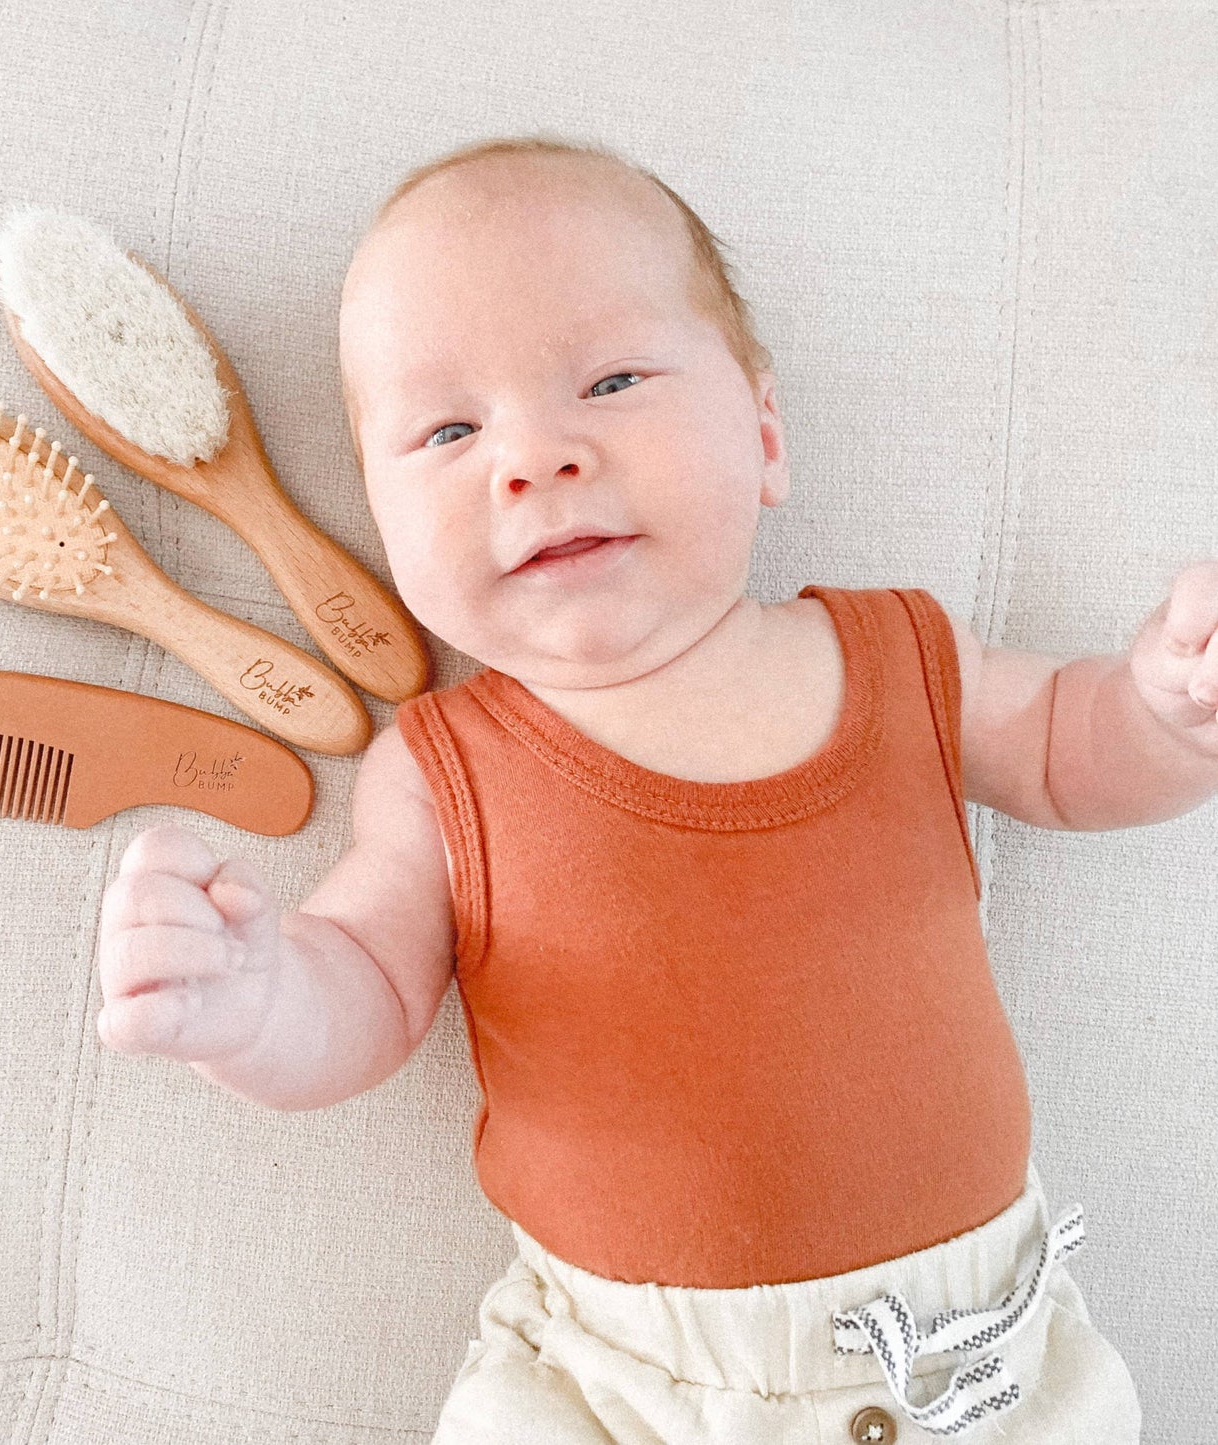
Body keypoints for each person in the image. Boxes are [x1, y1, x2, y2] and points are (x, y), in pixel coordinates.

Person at [96, 134, 1218, 1441]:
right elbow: (363, 988)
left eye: (611, 379)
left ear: (761, 434)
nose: (532, 456)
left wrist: (1161, 706)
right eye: (450, 429)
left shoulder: (898, 655)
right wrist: (251, 995)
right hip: (618, 1384)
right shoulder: (446, 768)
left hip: (975, 1362)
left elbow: (1070, 750)